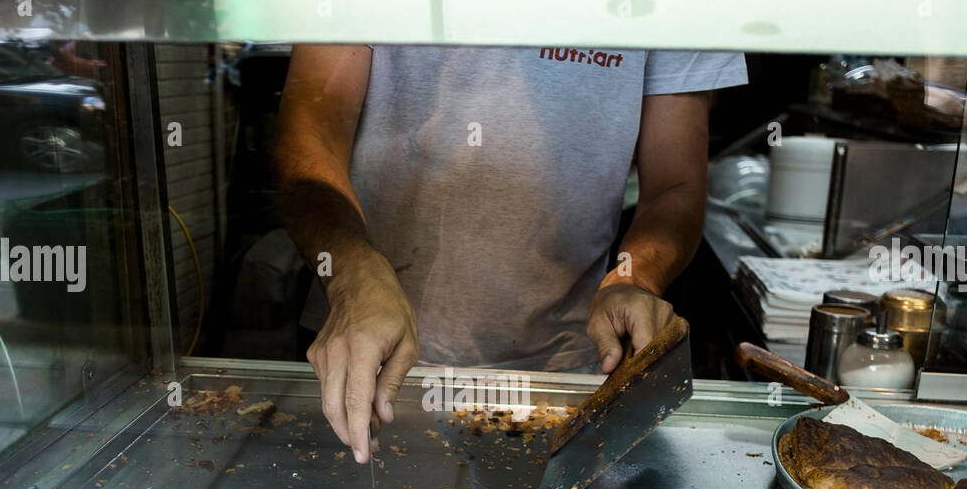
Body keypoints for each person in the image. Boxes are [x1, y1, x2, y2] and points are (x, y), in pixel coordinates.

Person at [274, 44, 746, 463]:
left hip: (562, 374)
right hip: (362, 355)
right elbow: (308, 138)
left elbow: (675, 187)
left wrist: (634, 277)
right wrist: (354, 276)